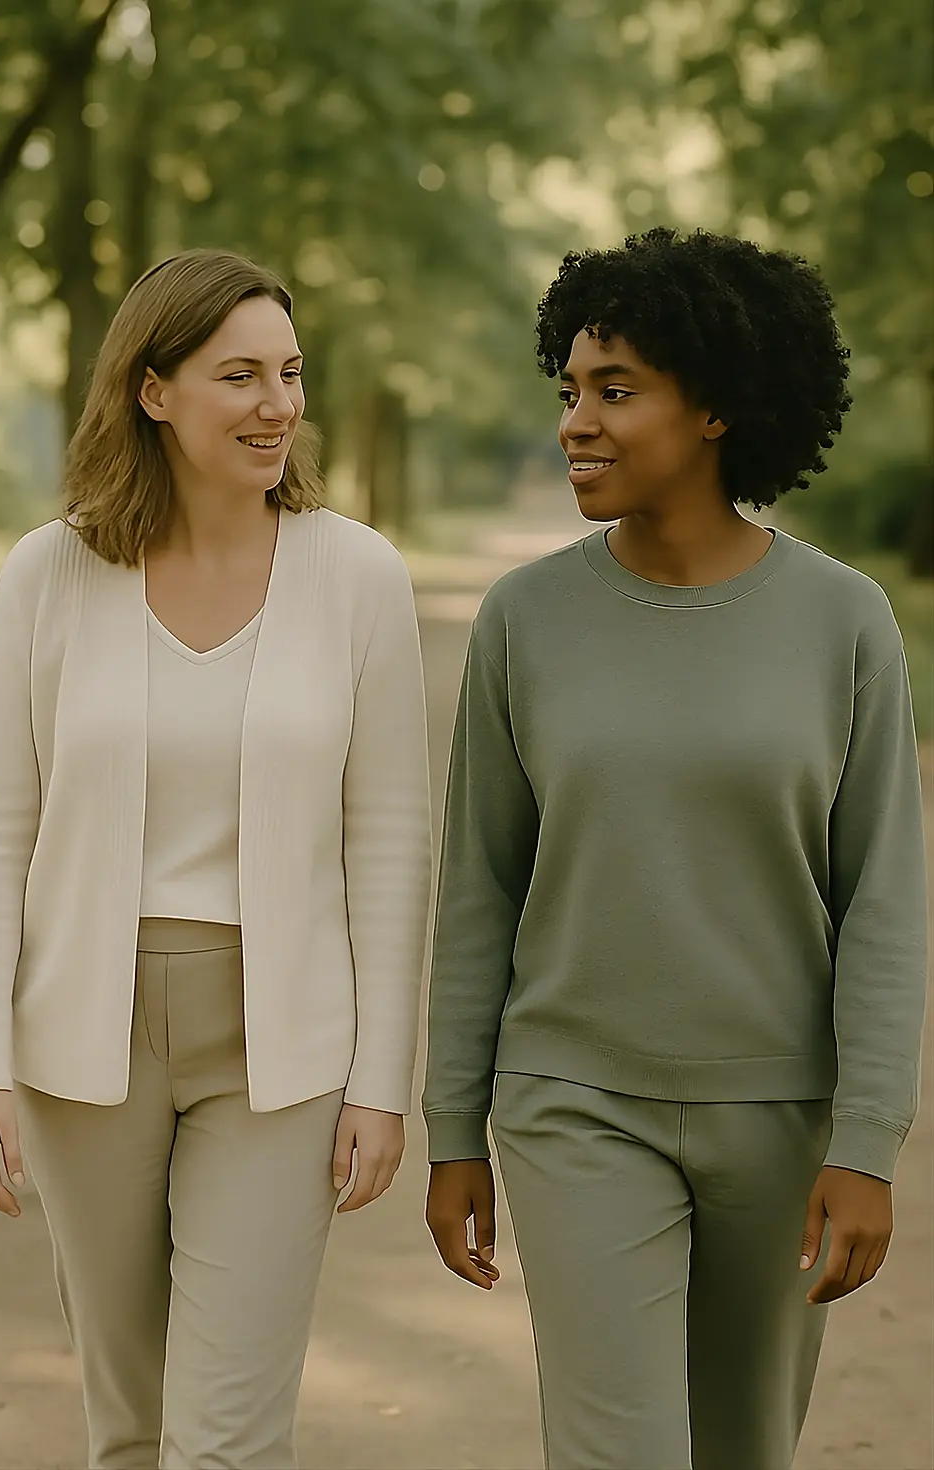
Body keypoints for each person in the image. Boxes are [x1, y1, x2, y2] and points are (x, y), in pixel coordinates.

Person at [422, 227, 928, 1470]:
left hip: (779, 1110)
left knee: (741, 1449)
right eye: (568, 391)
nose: (573, 425)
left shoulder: (842, 623)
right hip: (575, 1101)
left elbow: (883, 902)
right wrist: (451, 1128)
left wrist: (864, 1142)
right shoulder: (523, 619)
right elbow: (478, 886)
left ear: (714, 408)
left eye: (614, 391)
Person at [0, 248, 432, 1470]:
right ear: (152, 390)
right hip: (82, 1045)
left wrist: (380, 1080)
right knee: (129, 1429)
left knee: (223, 1439)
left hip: (277, 1050)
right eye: (239, 376)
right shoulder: (47, 575)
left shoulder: (357, 577)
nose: (278, 404)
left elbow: (387, 838)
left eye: (290, 372)